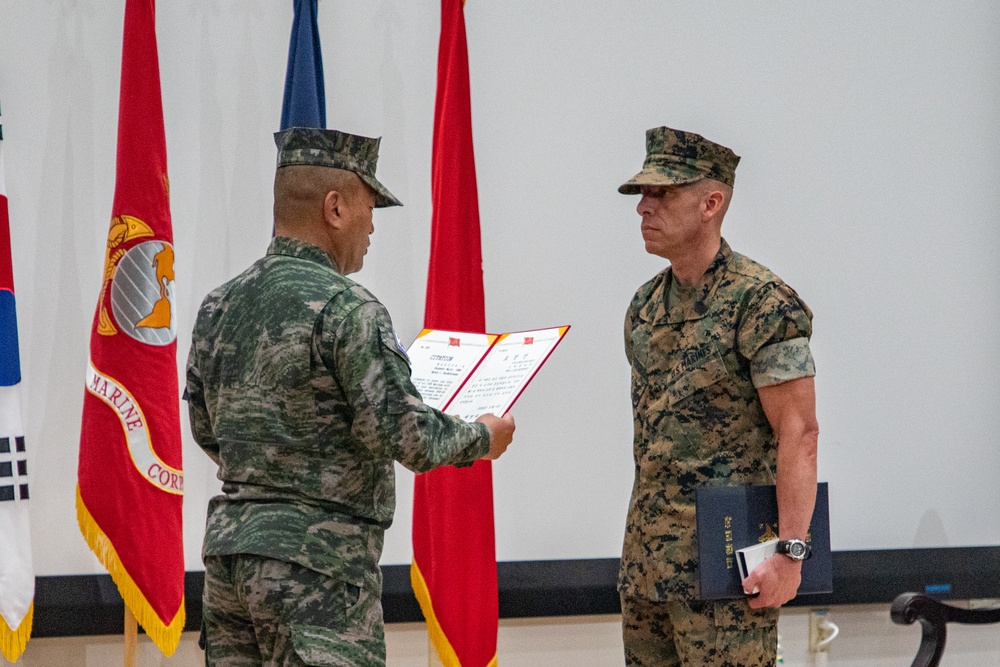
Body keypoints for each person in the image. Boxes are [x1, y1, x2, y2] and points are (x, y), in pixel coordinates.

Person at [186, 127, 515, 667]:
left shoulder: (219, 305)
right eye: (369, 206)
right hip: (317, 570)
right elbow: (408, 437)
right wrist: (482, 435)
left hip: (229, 562)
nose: (372, 226)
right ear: (334, 208)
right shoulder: (349, 309)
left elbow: (207, 429)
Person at [617, 126, 819, 666]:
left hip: (729, 573)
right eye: (642, 194)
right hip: (648, 567)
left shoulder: (763, 303)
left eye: (663, 193)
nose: (644, 207)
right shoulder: (645, 306)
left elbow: (799, 434)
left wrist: (791, 554)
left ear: (711, 202)